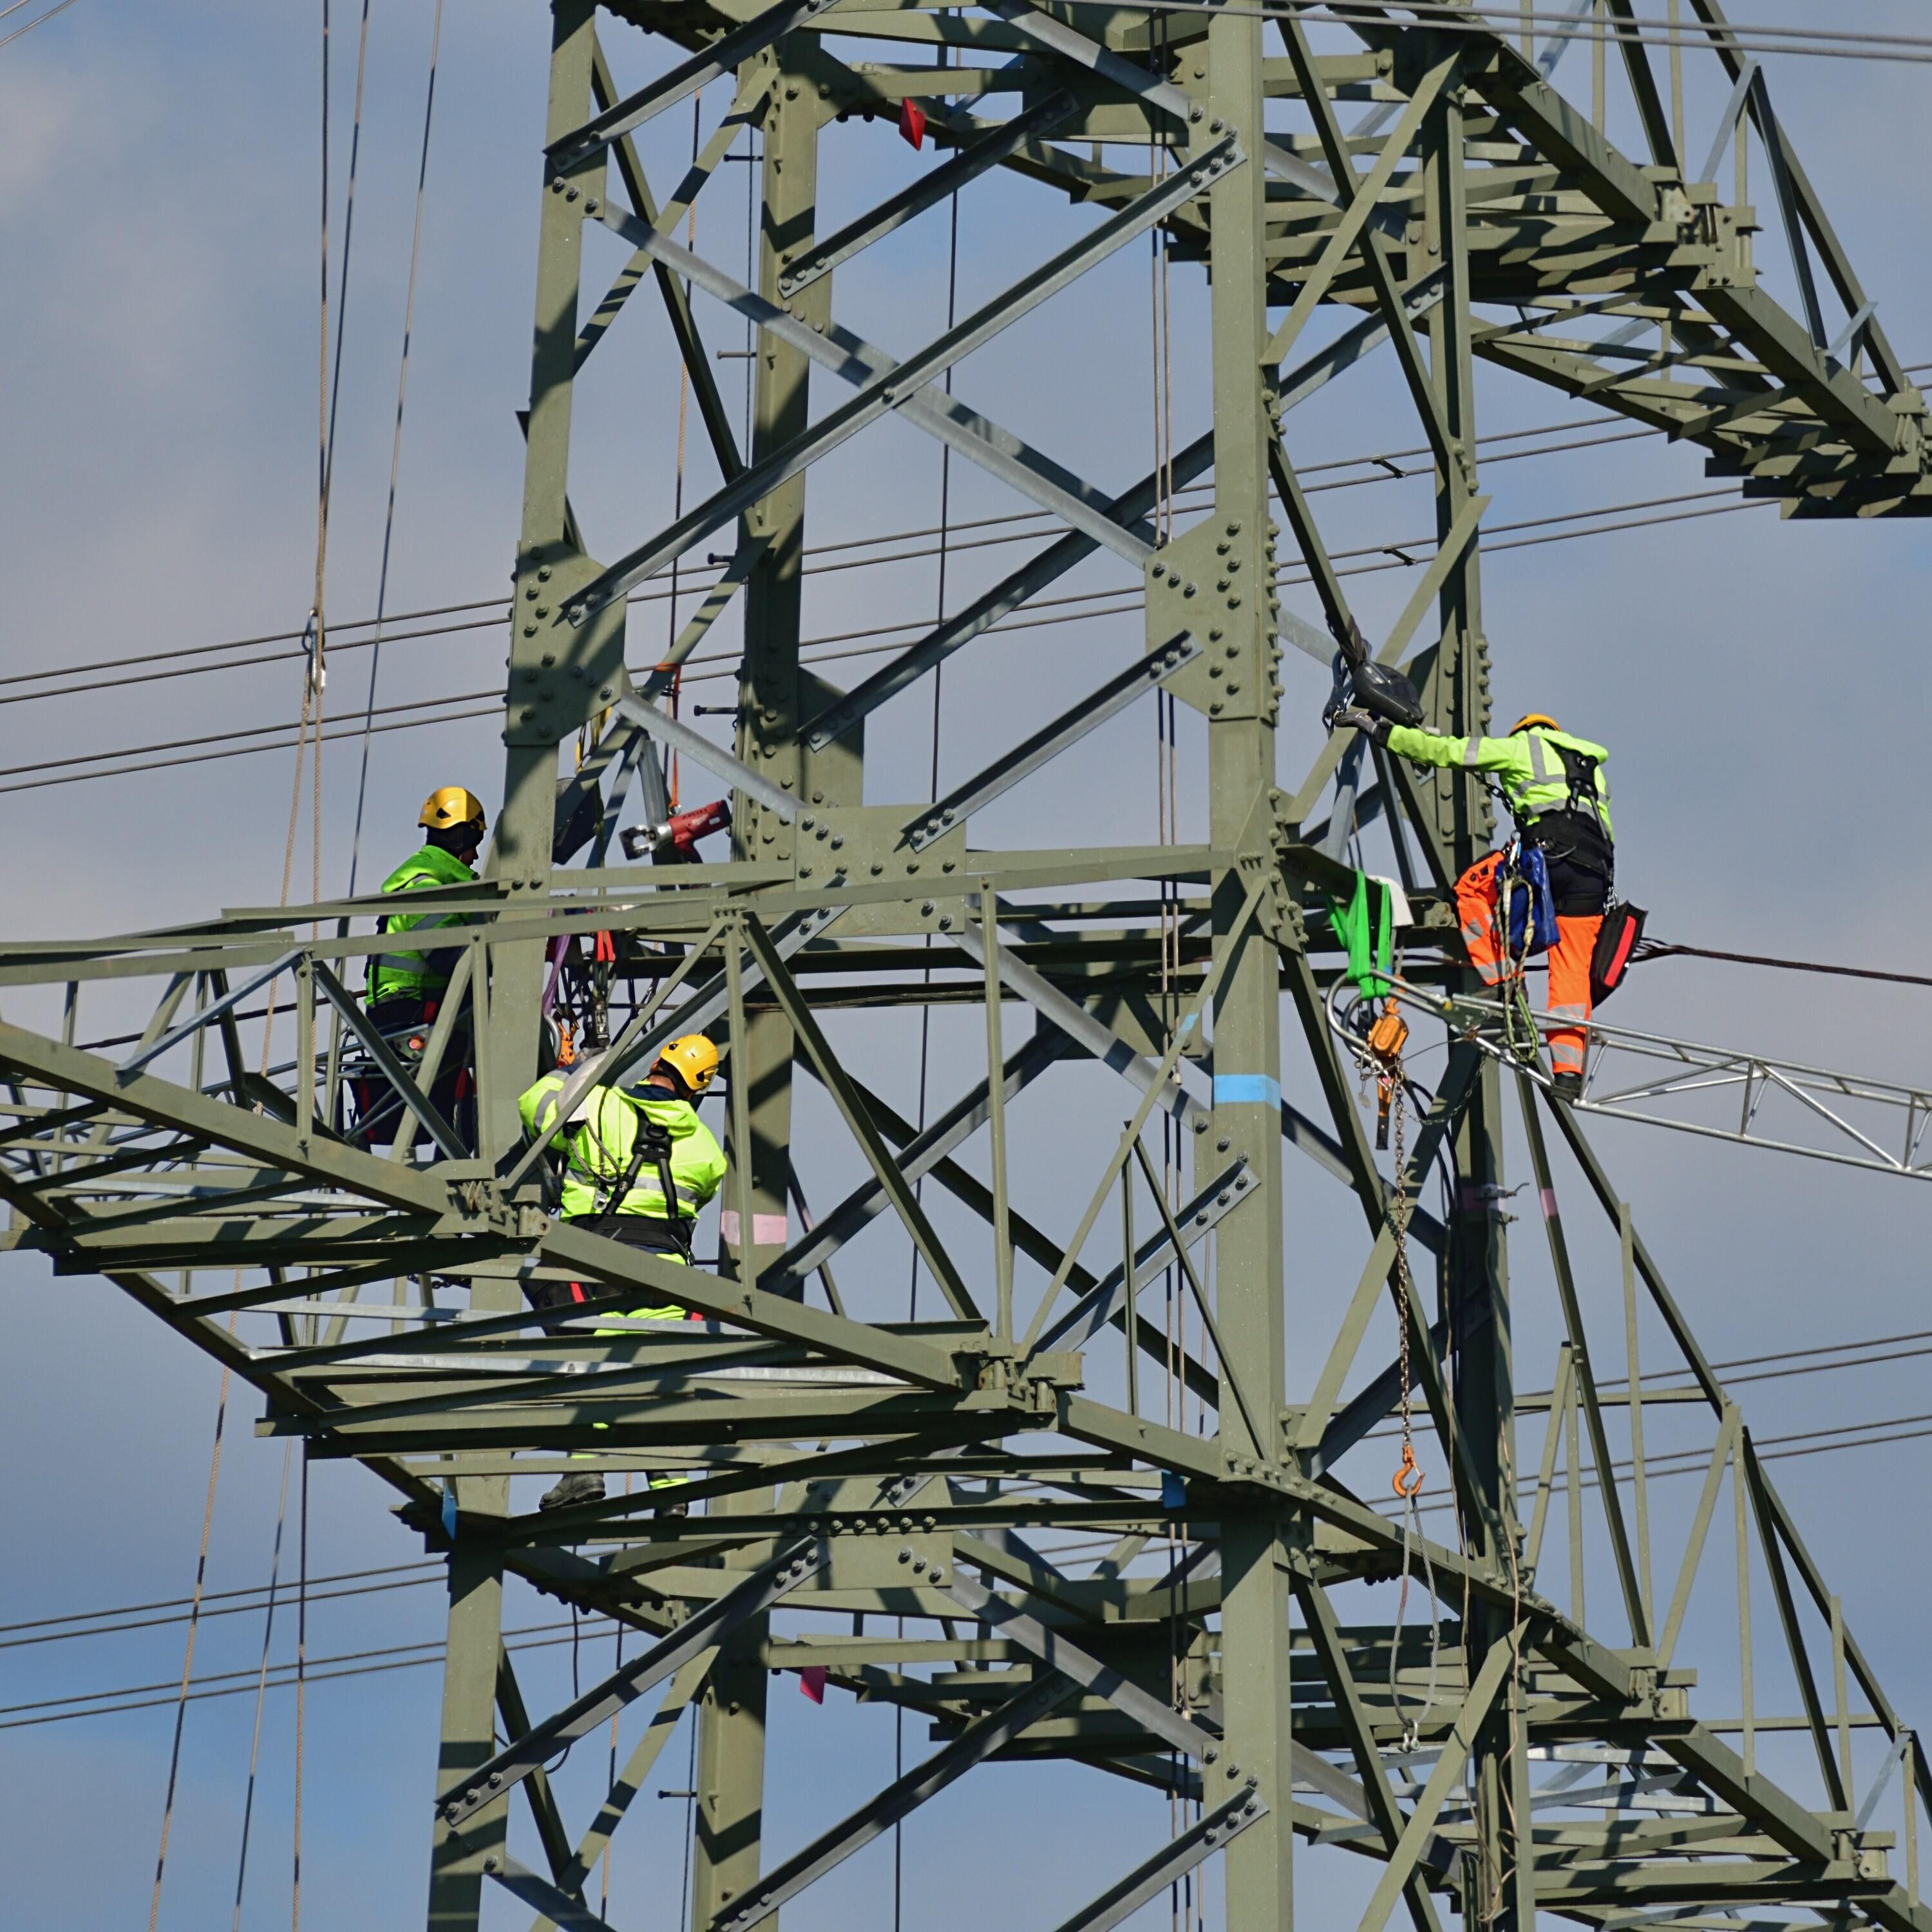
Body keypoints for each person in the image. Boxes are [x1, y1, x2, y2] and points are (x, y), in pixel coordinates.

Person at [1336, 708, 1613, 1100]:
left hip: (1549, 858)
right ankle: (1568, 1073)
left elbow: (1447, 752)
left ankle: (1503, 986)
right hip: (1595, 874)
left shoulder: (1522, 748)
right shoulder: (1592, 770)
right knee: (1571, 973)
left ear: (1527, 731)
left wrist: (1384, 732)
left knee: (1470, 889)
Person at [517, 1034, 729, 1510]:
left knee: (587, 1359)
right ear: (698, 1088)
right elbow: (702, 1189)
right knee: (661, 1376)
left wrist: (575, 1071)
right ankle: (673, 1491)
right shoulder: (706, 1150)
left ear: (654, 1062)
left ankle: (585, 1471)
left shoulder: (596, 1106)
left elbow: (534, 1107)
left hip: (590, 1262)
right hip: (669, 1279)